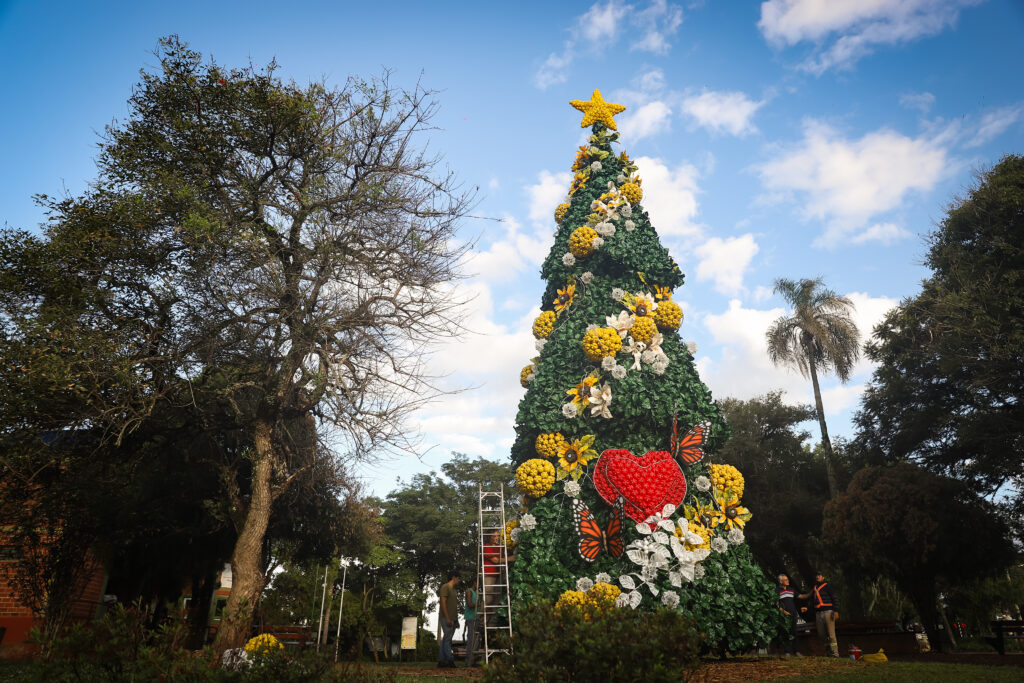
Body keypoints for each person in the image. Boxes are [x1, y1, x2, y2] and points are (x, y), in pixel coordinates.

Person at [800, 571, 840, 657]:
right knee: (822, 635)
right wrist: (807, 608)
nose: (817, 577)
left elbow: (835, 598)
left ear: (823, 577)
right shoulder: (815, 588)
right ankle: (828, 652)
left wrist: (836, 611)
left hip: (828, 612)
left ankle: (835, 653)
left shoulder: (828, 587)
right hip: (818, 614)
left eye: (819, 575)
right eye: (817, 575)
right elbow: (812, 600)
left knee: (831, 635)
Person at [438, 570, 461, 668]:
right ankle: (450, 660)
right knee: (447, 640)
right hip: (445, 618)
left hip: (453, 619)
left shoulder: (454, 590)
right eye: (458, 578)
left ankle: (441, 661)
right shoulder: (445, 587)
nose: (459, 581)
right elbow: (443, 602)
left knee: (446, 640)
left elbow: (454, 606)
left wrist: (456, 620)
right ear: (453, 577)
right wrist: (447, 617)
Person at [777, 573, 801, 657]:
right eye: (786, 580)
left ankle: (796, 651)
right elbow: (776, 604)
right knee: (785, 633)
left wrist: (812, 593)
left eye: (787, 579)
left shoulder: (791, 589)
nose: (788, 581)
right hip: (784, 616)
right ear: (780, 581)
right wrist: (784, 612)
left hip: (793, 614)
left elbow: (801, 596)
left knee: (794, 632)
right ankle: (787, 652)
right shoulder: (777, 590)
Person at [464, 576, 479, 666]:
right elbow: (469, 604)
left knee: (476, 641)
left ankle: (473, 660)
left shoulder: (477, 592)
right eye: (478, 583)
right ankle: (468, 660)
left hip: (477, 618)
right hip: (471, 618)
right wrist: (480, 604)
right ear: (474, 582)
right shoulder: (469, 591)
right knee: (471, 639)